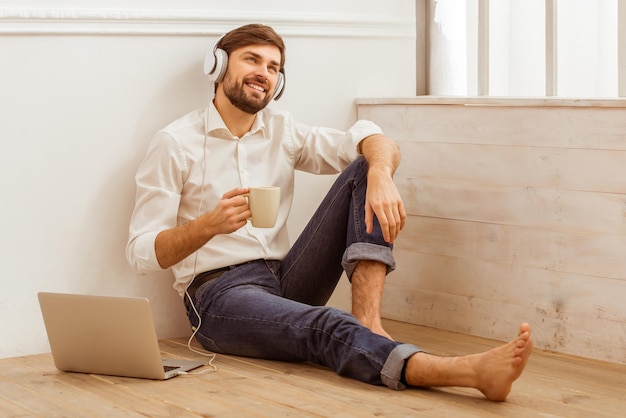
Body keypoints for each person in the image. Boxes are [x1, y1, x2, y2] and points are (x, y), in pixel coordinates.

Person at [126, 23, 532, 401]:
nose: (263, 73)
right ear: (217, 64)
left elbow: (371, 138)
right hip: (219, 296)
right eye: (252, 59)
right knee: (326, 326)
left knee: (362, 168)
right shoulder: (174, 143)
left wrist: (380, 172)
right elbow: (141, 252)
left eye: (273, 67)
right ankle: (456, 371)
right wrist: (207, 226)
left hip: (283, 276)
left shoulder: (283, 131)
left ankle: (369, 320)